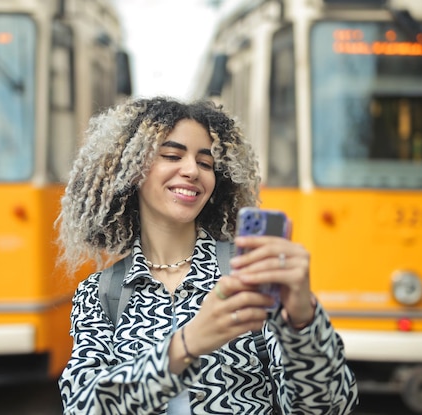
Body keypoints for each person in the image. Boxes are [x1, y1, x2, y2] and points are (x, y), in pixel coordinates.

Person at [56, 96, 359, 414]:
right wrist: (186, 346)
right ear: (131, 171)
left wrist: (303, 321)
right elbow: (81, 407)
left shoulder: (249, 274)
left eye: (205, 163)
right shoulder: (101, 293)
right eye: (172, 155)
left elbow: (328, 408)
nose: (191, 170)